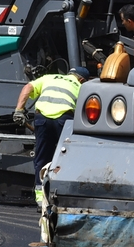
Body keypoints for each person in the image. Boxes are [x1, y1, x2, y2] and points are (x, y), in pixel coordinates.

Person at [16, 66, 89, 203]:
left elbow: (27, 88)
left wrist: (19, 110)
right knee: (66, 156)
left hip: (42, 118)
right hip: (64, 120)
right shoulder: (80, 86)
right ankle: (62, 194)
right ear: (81, 79)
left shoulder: (48, 78)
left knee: (42, 156)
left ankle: (40, 197)